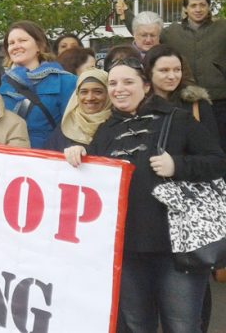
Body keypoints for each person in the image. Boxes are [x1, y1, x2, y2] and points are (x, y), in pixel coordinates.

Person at [64, 58, 226, 332]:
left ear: (146, 86)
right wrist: (79, 154)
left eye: (128, 82)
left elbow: (217, 161)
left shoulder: (179, 120)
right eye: (113, 83)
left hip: (176, 250)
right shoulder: (106, 130)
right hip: (127, 250)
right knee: (137, 325)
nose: (119, 89)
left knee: (182, 326)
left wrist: (179, 165)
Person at [160, 0, 226, 150]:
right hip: (187, 101)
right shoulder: (172, 33)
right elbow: (145, 32)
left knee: (221, 145)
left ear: (209, 7)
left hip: (219, 100)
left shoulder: (222, 29)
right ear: (185, 9)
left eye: (202, 5)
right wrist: (125, 14)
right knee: (193, 146)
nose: (198, 9)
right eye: (193, 5)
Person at [0, 20, 76, 148]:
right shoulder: (0, 84)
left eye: (22, 40)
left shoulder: (66, 81)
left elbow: (73, 127)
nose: (16, 46)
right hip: (7, 159)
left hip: (48, 158)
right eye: (11, 43)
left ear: (39, 46)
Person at [144, 44, 218, 137]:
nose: (172, 76)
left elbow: (213, 146)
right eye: (164, 70)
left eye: (177, 70)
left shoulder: (197, 104)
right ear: (149, 72)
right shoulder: (139, 106)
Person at [43, 68, 111, 151]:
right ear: (77, 95)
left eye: (98, 92)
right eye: (84, 92)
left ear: (108, 94)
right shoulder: (67, 125)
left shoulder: (119, 125)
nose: (90, 98)